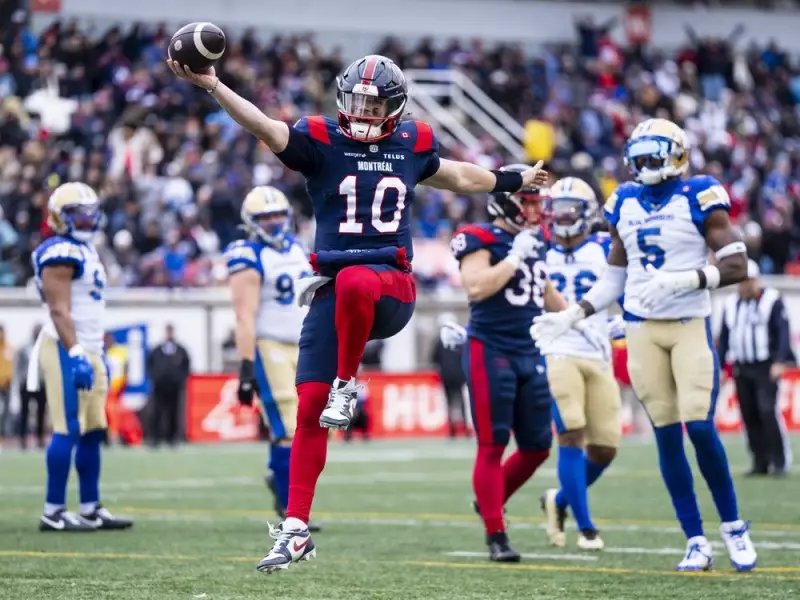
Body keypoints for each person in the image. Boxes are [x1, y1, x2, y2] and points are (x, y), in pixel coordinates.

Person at [166, 54, 548, 572]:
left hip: (390, 287)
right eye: (357, 100)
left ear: (394, 107)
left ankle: (349, 384)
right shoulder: (321, 139)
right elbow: (263, 123)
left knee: (356, 281)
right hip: (334, 292)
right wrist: (213, 85)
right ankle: (296, 529)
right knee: (307, 408)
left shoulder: (411, 143)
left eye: (374, 102)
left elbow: (458, 175)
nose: (363, 110)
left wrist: (510, 179)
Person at [531, 118, 756, 572]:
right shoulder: (624, 201)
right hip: (640, 329)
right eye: (640, 154)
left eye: (655, 153)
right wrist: (575, 313)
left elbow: (737, 266)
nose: (645, 163)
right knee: (667, 436)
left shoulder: (700, 194)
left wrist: (686, 279)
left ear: (676, 154)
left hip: (688, 321)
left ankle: (733, 527)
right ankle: (695, 539)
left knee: (700, 427)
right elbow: (615, 276)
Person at [450, 165, 606, 562]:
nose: (538, 208)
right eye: (530, 200)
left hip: (530, 349)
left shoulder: (534, 242)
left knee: (537, 446)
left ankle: (490, 499)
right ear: (507, 201)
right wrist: (513, 259)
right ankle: (496, 533)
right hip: (491, 349)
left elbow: (547, 291)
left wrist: (584, 319)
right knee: (492, 444)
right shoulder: (479, 237)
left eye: (539, 200)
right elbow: (476, 286)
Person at [30, 182, 132, 532]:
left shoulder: (88, 250)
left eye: (89, 213)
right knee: (68, 427)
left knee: (93, 430)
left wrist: (92, 350)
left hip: (90, 348)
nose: (86, 220)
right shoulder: (59, 250)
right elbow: (59, 309)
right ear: (60, 217)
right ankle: (53, 510)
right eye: (77, 214)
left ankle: (90, 507)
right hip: (64, 346)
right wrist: (74, 352)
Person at [224, 185, 320, 532]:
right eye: (266, 218)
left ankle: (278, 478)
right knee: (288, 427)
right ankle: (289, 507)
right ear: (251, 222)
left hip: (303, 342)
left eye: (278, 215)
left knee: (312, 422)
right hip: (269, 346)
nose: (274, 223)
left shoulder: (297, 248)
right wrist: (246, 366)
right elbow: (244, 315)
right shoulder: (247, 255)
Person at [538, 177, 622, 552]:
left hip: (598, 351)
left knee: (605, 448)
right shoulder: (537, 248)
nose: (563, 215)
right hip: (556, 350)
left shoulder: (606, 246)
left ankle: (558, 501)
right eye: (557, 209)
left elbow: (629, 285)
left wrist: (627, 320)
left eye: (570, 208)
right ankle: (586, 528)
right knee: (571, 433)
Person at [718, 259, 793, 477]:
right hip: (741, 366)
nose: (744, 286)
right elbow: (723, 338)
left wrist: (780, 360)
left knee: (767, 411)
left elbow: (782, 332)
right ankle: (760, 462)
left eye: (748, 281)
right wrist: (722, 366)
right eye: (740, 281)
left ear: (756, 280)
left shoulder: (771, 300)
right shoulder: (730, 304)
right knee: (749, 414)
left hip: (765, 365)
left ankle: (779, 460)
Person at [147, 324, 191, 447]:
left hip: (174, 387)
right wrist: (155, 377)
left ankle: (172, 438)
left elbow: (186, 367)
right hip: (159, 387)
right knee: (157, 412)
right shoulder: (156, 350)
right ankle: (155, 438)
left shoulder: (181, 350)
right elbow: (149, 365)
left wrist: (180, 380)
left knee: (174, 413)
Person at [431, 313, 468, 438]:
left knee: (449, 400)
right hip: (460, 374)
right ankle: (464, 426)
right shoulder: (461, 340)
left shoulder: (438, 341)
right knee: (462, 400)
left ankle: (452, 428)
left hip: (446, 375)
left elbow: (434, 359)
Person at [17, 324, 47, 449]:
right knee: (24, 411)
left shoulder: (45, 348)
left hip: (40, 383)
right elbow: (19, 365)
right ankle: (23, 438)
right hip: (27, 383)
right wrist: (21, 380)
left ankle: (39, 437)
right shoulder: (24, 348)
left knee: (41, 412)